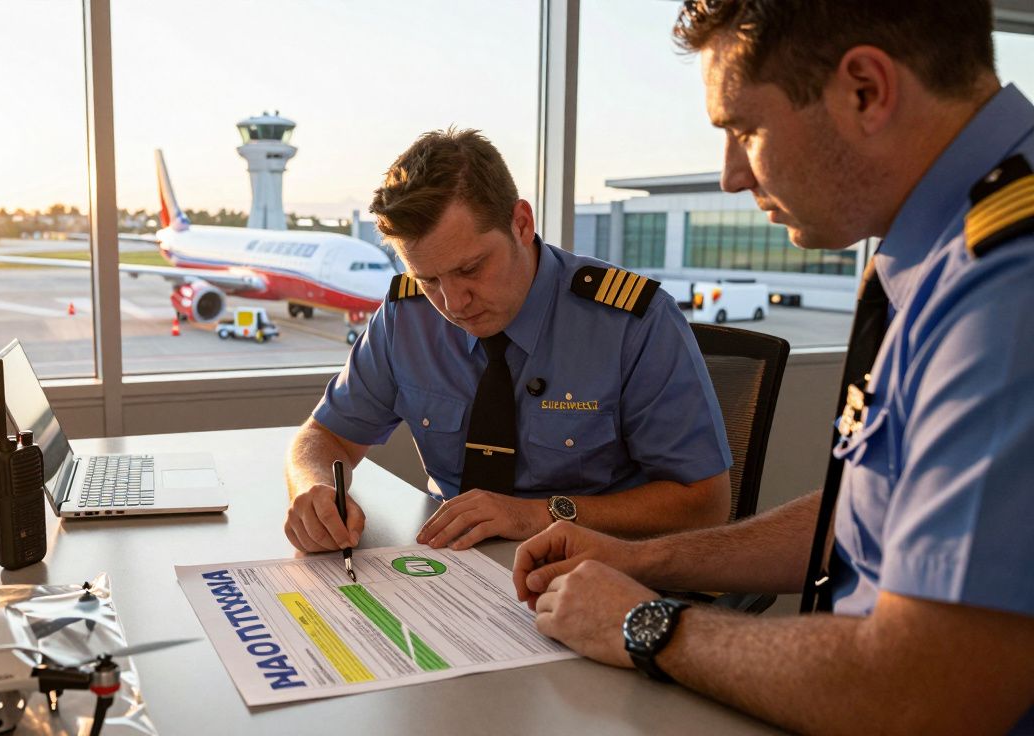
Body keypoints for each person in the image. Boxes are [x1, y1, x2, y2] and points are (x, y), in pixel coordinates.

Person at [512, 1, 1034, 733]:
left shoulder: (1008, 286)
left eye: (744, 129)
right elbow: (864, 517)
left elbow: (925, 691)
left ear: (865, 91)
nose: (729, 176)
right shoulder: (938, 244)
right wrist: (645, 558)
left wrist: (646, 624)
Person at [283, 128, 733, 555]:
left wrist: (538, 515)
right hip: (450, 573)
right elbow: (323, 438)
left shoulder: (631, 323)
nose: (453, 303)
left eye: (471, 268)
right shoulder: (407, 319)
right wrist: (314, 490)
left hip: (593, 573)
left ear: (521, 223)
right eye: (428, 280)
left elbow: (705, 504)